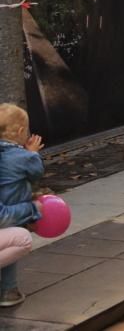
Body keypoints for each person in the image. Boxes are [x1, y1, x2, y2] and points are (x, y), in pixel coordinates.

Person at [0, 104, 44, 307]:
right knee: (21, 239)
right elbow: (36, 172)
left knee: (9, 242)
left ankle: (9, 290)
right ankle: (8, 290)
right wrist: (33, 210)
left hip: (7, 212)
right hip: (8, 211)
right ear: (20, 132)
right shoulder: (23, 157)